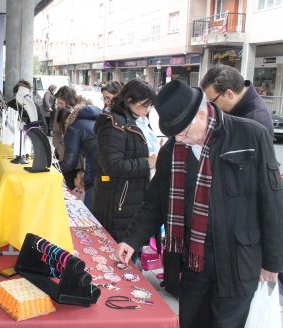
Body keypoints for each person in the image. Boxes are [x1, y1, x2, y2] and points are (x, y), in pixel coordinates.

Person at [117, 80, 283, 328]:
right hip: (195, 259)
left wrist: (272, 261)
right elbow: (154, 202)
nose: (180, 139)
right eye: (175, 134)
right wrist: (132, 240)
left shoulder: (250, 135)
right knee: (192, 320)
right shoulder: (172, 150)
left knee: (226, 323)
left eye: (184, 132)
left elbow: (271, 200)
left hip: (239, 258)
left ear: (203, 115)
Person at [92, 79, 157, 242]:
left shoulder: (139, 121)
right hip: (118, 203)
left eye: (150, 106)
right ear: (129, 100)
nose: (148, 110)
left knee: (129, 252)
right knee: (119, 254)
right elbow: (112, 165)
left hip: (134, 199)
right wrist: (148, 163)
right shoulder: (114, 124)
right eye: (144, 105)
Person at [200, 64, 274, 138]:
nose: (210, 105)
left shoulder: (255, 121)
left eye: (212, 100)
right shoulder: (237, 107)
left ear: (229, 94)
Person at [57, 102, 100, 209]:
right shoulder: (99, 121)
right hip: (108, 172)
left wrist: (53, 169)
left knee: (88, 213)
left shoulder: (74, 127)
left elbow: (69, 163)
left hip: (94, 173)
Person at [52, 86, 80, 189]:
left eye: (61, 103)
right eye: (57, 103)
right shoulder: (58, 111)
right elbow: (56, 133)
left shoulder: (78, 112)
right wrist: (60, 148)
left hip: (77, 161)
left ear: (69, 102)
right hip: (62, 156)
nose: (59, 106)